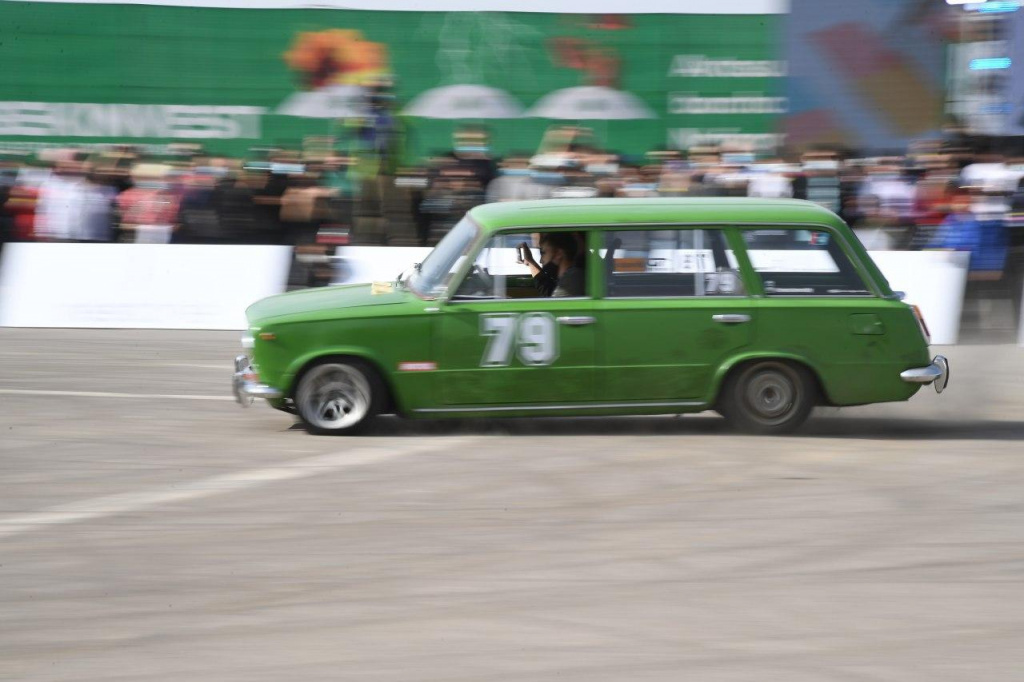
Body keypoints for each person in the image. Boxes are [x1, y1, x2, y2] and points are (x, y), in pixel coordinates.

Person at [518, 231, 585, 298]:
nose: (541, 260)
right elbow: (548, 290)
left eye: (544, 253)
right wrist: (530, 261)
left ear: (558, 254)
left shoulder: (571, 279)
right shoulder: (570, 276)